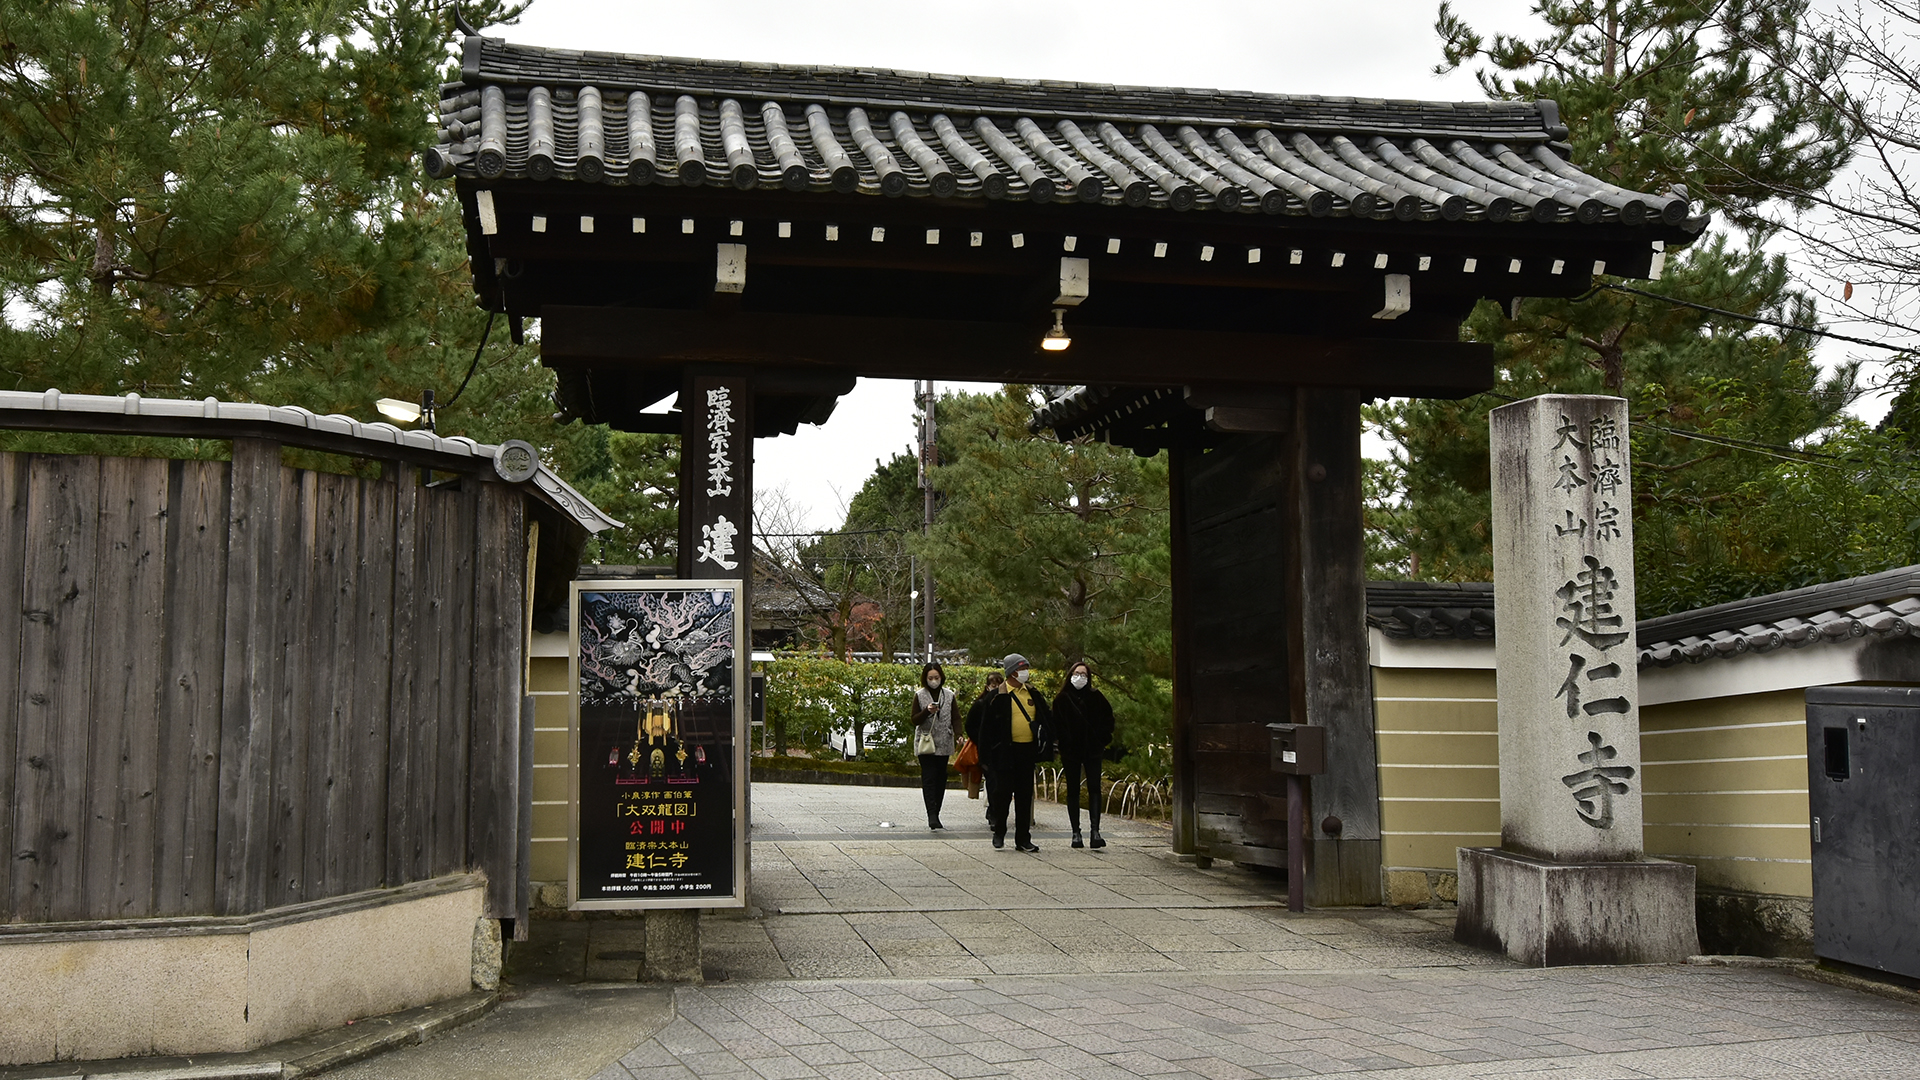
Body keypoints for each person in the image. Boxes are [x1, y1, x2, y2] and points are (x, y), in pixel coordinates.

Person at [977, 653, 1051, 852]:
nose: (1025, 673)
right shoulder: (996, 697)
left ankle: (1023, 838)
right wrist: (985, 758)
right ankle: (999, 831)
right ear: (1012, 672)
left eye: (1026, 668)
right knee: (1002, 794)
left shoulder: (1033, 694)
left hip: (1027, 752)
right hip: (1003, 753)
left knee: (1025, 795)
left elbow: (1047, 718)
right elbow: (985, 729)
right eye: (1021, 669)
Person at [1052, 660, 1115, 849]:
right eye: (1077, 673)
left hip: (1093, 749)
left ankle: (1095, 830)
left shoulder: (1096, 697)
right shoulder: (1061, 699)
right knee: (1073, 790)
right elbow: (1056, 725)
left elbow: (1108, 720)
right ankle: (1075, 832)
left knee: (1094, 787)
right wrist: (1064, 742)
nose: (1080, 677)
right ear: (1070, 675)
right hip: (1071, 751)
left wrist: (1101, 739)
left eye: (1084, 674)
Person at [911, 662, 961, 830]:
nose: (934, 681)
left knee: (941, 778)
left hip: (944, 742)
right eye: (930, 678)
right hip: (926, 742)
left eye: (936, 677)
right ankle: (931, 814)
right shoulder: (919, 695)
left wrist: (959, 734)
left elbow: (956, 717)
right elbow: (914, 720)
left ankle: (936, 811)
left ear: (941, 677)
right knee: (929, 778)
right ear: (925, 679)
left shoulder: (949, 695)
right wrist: (927, 711)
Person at [959, 671, 1002, 801]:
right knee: (992, 780)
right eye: (993, 685)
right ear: (987, 686)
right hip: (985, 749)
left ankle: (994, 810)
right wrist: (981, 740)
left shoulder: (1005, 703)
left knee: (1000, 782)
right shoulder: (980, 704)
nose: (996, 688)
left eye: (999, 685)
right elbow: (970, 725)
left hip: (1001, 748)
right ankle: (993, 811)